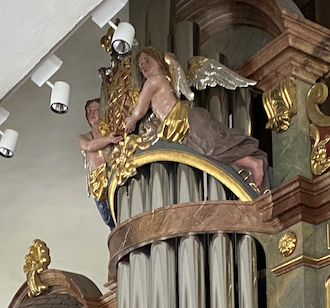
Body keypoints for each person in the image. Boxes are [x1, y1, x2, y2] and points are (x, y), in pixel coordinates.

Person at [123, 48, 267, 190]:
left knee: (211, 151)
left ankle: (252, 163)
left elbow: (141, 109)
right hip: (178, 124)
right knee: (210, 156)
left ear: (158, 60)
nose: (143, 66)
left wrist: (132, 119)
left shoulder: (154, 80)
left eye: (147, 60)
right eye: (140, 65)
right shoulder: (166, 79)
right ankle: (246, 167)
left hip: (183, 121)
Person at [78, 99, 120, 226]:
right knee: (109, 220)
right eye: (89, 111)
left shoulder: (112, 132)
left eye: (96, 109)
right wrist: (109, 140)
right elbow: (89, 146)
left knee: (119, 211)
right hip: (98, 182)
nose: (92, 113)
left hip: (113, 175)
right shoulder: (84, 137)